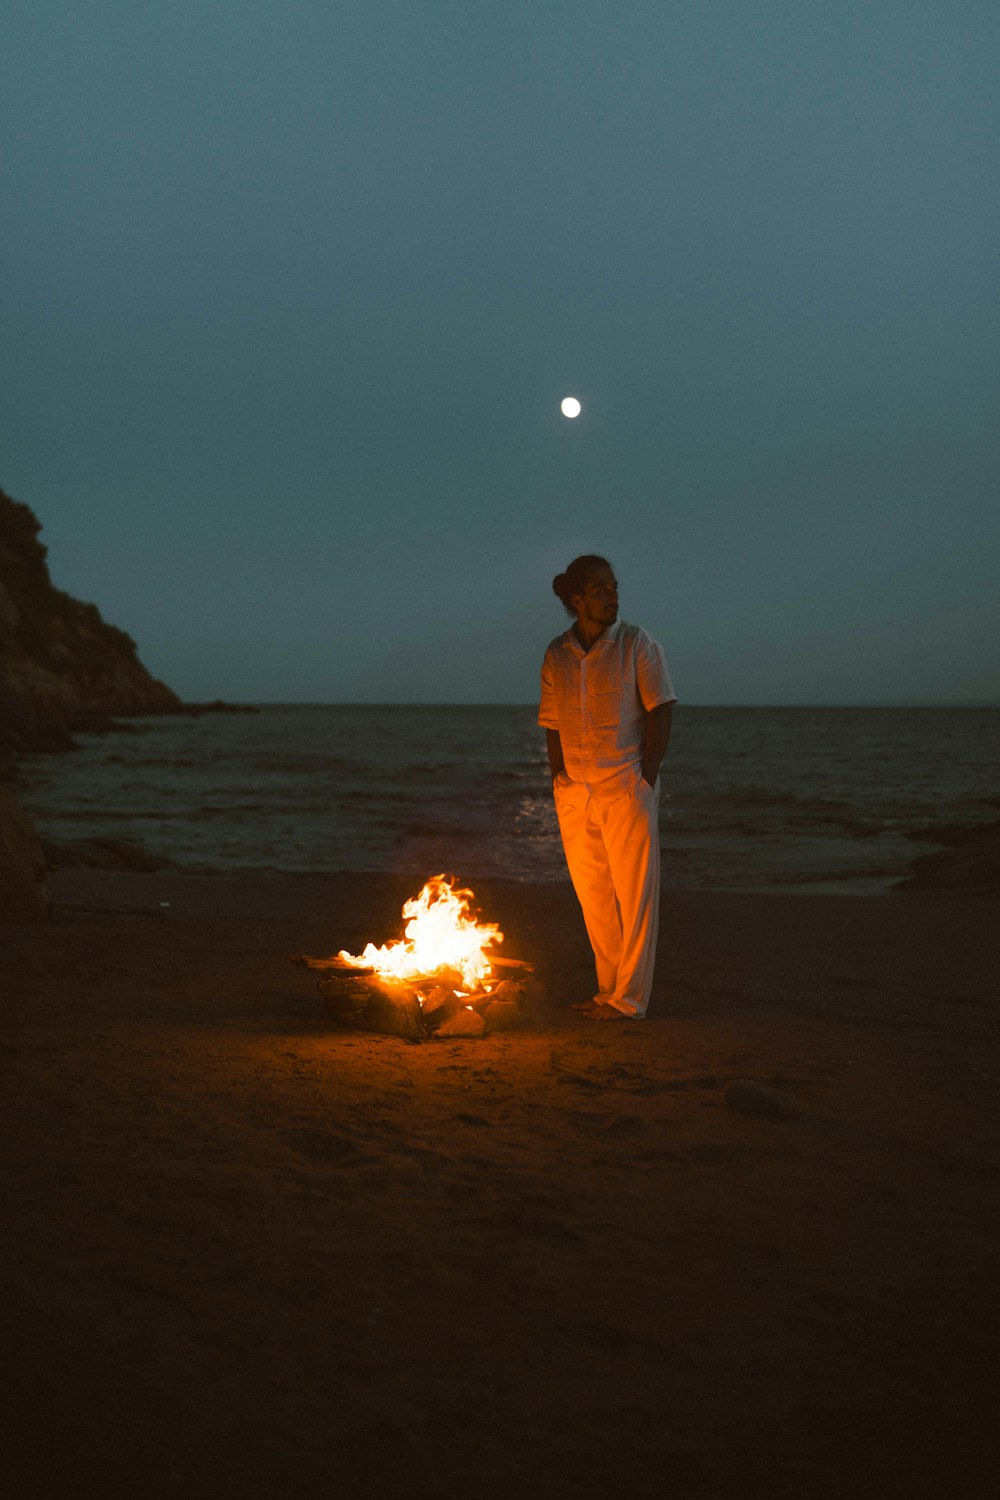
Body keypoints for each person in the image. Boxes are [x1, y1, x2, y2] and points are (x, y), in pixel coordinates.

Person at [539, 555, 676, 1020]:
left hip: (624, 783)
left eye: (614, 587)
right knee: (594, 897)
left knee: (635, 896)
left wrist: (645, 778)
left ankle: (630, 1001)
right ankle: (607, 991)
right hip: (576, 789)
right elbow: (552, 724)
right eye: (600, 589)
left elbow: (661, 710)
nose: (612, 595)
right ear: (576, 599)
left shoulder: (638, 644)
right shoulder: (558, 653)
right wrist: (560, 779)